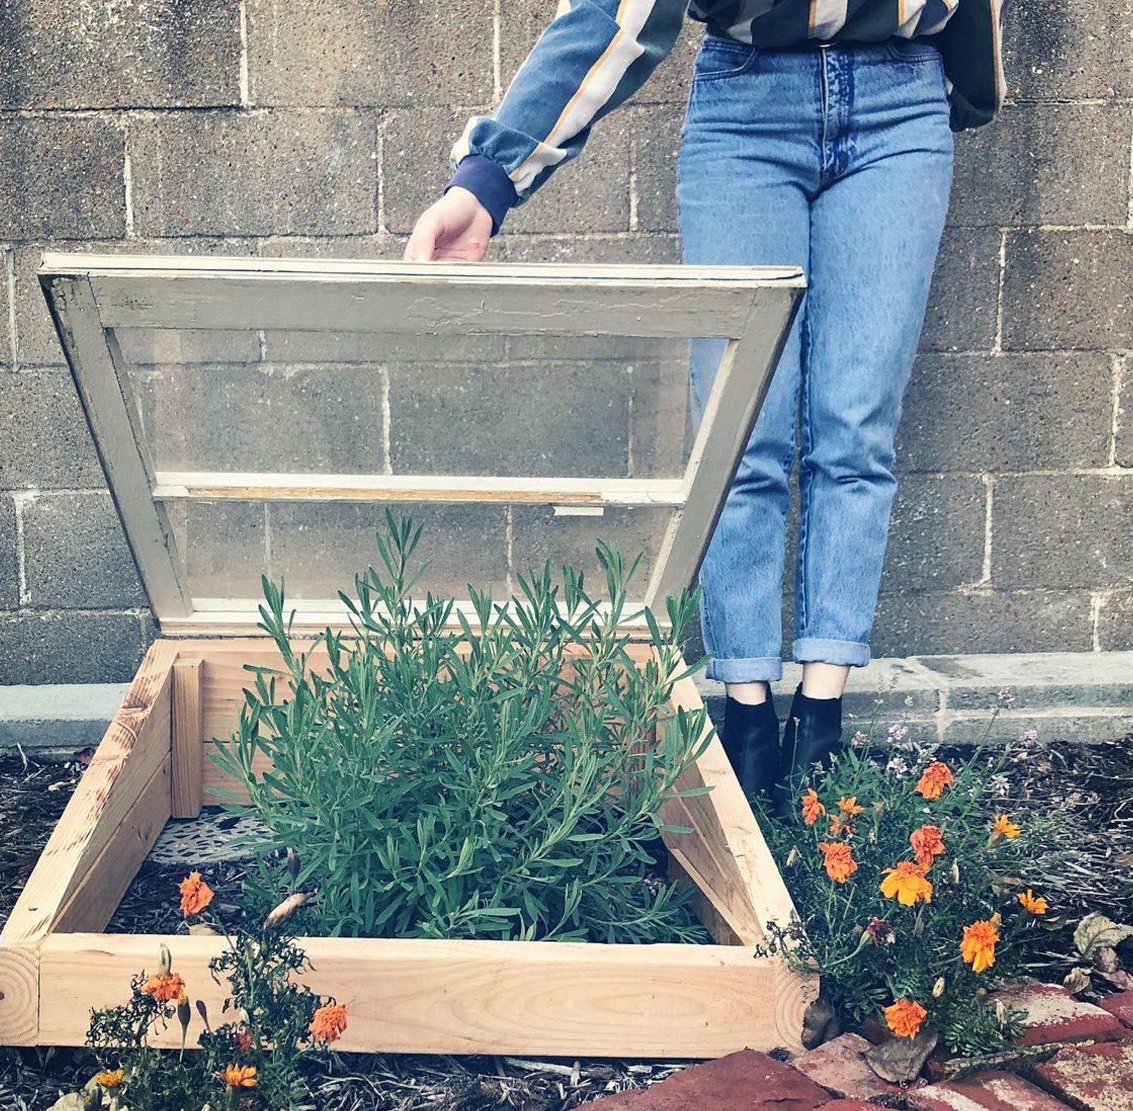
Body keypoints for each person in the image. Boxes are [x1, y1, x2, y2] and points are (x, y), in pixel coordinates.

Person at [404, 0, 1007, 811]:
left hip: (903, 106)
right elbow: (617, 13)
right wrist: (489, 181)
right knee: (741, 434)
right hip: (748, 108)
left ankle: (822, 721)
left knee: (856, 430)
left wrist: (966, 82)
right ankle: (748, 719)